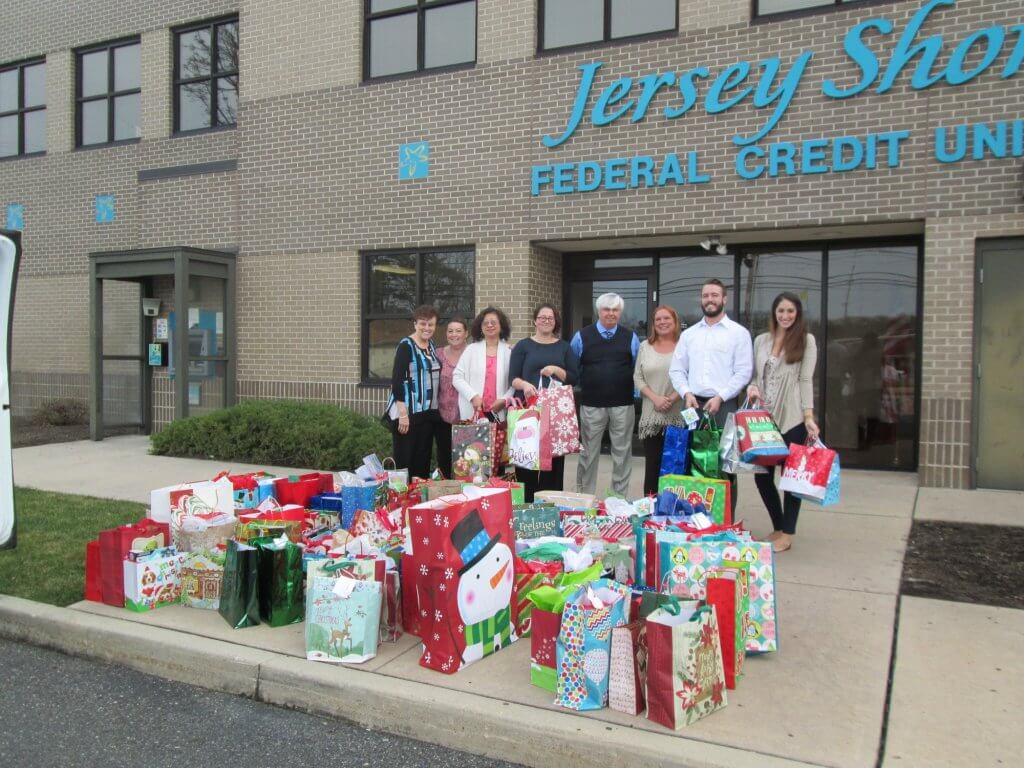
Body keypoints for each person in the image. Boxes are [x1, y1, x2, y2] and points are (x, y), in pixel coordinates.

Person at [669, 279, 752, 516]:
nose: (710, 299)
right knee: (691, 464)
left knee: (724, 466)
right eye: (706, 295)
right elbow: (676, 369)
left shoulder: (738, 333)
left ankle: (724, 519)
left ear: (724, 299)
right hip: (693, 406)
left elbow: (743, 371)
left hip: (724, 406)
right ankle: (694, 516)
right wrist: (685, 392)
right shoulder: (690, 335)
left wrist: (721, 396)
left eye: (715, 295)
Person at [746, 292, 820, 553]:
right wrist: (752, 389)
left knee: (791, 480)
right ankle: (778, 526)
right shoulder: (761, 341)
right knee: (762, 477)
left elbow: (805, 380)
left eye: (790, 311)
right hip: (764, 421)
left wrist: (809, 417)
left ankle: (787, 534)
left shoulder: (806, 341)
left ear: (797, 313)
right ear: (774, 313)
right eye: (781, 311)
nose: (786, 316)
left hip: (793, 418)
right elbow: (756, 375)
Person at [570, 293, 640, 496]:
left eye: (615, 310)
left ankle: (618, 500)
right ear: (598, 311)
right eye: (606, 309)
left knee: (622, 454)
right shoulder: (582, 336)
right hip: (591, 404)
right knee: (588, 455)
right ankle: (585, 499)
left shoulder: (631, 337)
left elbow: (635, 367)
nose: (611, 313)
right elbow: (575, 367)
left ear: (620, 313)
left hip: (622, 405)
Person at [508, 303, 579, 501]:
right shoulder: (523, 346)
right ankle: (526, 505)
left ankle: (550, 505)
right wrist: (524, 385)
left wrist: (556, 370)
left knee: (554, 464)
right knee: (526, 461)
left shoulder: (564, 347)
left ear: (555, 322)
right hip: (528, 411)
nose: (546, 321)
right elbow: (512, 377)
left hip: (555, 413)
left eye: (550, 318)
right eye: (542, 317)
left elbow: (573, 377)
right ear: (535, 321)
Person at [385, 304, 445, 480]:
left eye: (431, 325)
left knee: (422, 460)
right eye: (423, 324)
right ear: (415, 324)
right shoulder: (406, 346)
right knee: (406, 461)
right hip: (408, 415)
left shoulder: (431, 345)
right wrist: (403, 414)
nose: (427, 328)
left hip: (427, 414)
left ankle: (419, 502)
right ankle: (402, 501)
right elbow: (397, 381)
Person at [634, 306, 684, 496]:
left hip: (676, 414)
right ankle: (650, 511)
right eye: (658, 319)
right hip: (651, 417)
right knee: (652, 466)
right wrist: (655, 398)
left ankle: (672, 510)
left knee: (674, 467)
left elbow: (691, 377)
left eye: (666, 318)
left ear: (675, 321)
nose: (662, 322)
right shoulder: (645, 346)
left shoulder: (684, 345)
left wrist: (671, 398)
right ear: (654, 324)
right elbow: (638, 377)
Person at [435, 316, 469, 478]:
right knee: (444, 458)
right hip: (442, 416)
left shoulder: (473, 352)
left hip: (466, 417)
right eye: (450, 331)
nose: (454, 334)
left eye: (458, 331)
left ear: (466, 334)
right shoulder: (438, 354)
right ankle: (446, 492)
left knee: (467, 461)